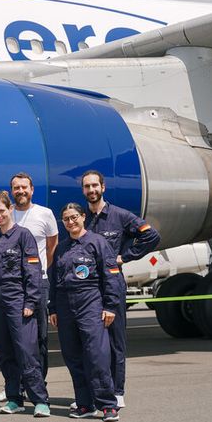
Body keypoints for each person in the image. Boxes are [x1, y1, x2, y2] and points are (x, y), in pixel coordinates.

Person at [82, 170, 160, 408]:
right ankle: (94, 392)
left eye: (95, 185)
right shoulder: (82, 218)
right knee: (92, 344)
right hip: (87, 289)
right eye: (87, 187)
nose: (91, 190)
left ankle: (117, 391)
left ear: (103, 187)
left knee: (116, 342)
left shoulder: (120, 216)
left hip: (112, 287)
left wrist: (124, 257)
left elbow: (151, 236)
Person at [0, 173, 58, 404]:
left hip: (36, 283)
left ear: (31, 189)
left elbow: (51, 247)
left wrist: (35, 287)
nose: (20, 191)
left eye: (24, 187)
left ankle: (38, 388)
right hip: (7, 292)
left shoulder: (44, 214)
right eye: (16, 188)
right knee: (10, 344)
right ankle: (15, 389)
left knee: (36, 341)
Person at [49, 203, 122, 422]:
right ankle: (84, 403)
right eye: (66, 219)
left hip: (90, 302)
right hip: (64, 305)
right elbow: (54, 280)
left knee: (96, 355)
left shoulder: (98, 242)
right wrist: (53, 308)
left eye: (74, 217)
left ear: (82, 217)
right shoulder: (61, 248)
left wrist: (110, 306)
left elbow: (111, 277)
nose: (70, 222)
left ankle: (108, 405)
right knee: (73, 356)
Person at [0, 191, 49, 417]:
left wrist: (31, 301)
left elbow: (33, 271)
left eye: (2, 211)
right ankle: (14, 398)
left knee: (26, 351)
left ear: (10, 210)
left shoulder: (24, 235)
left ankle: (40, 400)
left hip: (18, 299)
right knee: (5, 352)